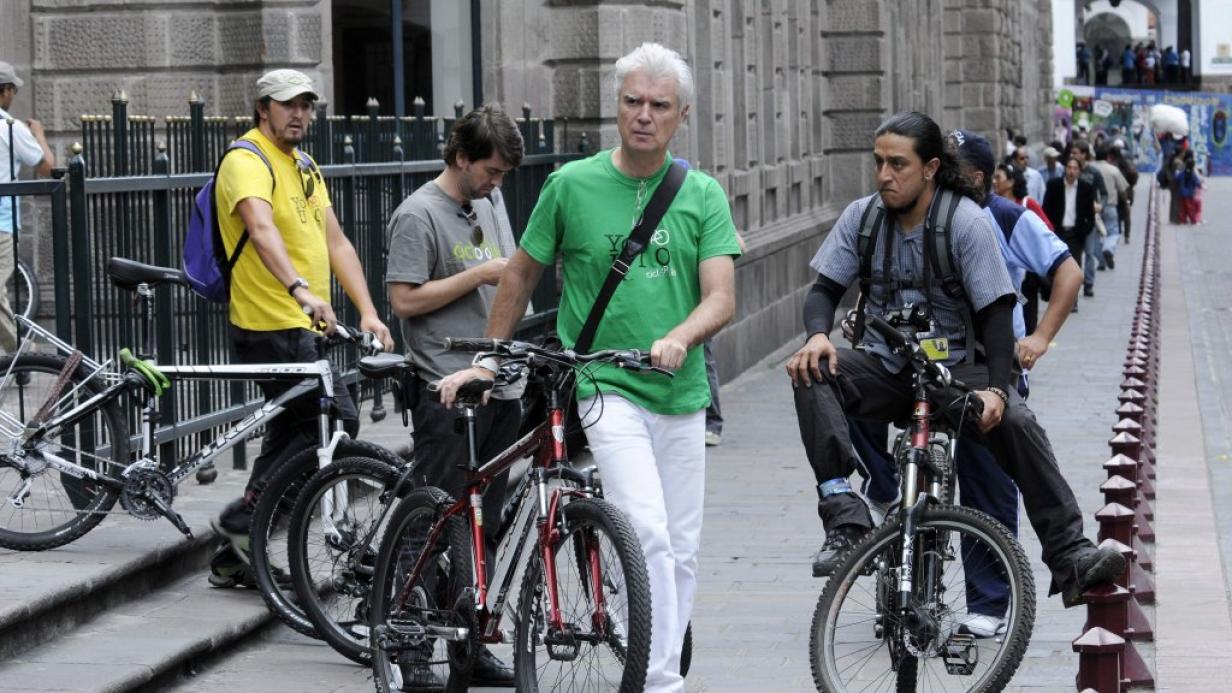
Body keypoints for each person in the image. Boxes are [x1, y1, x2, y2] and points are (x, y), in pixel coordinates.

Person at [438, 42, 740, 693]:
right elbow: (520, 274)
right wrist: (490, 361)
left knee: (682, 549)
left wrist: (681, 336)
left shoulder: (702, 194)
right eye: (633, 101)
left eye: (658, 105)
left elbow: (721, 295)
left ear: (680, 114)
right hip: (604, 384)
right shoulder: (570, 185)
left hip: (680, 391)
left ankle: (653, 653)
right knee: (647, 531)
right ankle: (660, 682)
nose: (643, 115)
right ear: (617, 107)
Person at [789, 111, 1122, 615]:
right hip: (888, 367)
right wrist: (817, 336)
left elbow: (996, 313)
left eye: (897, 164)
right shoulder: (861, 217)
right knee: (810, 370)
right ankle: (845, 515)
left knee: (1017, 424)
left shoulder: (965, 221)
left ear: (930, 168)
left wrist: (997, 391)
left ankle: (1070, 554)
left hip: (956, 373)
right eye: (878, 162)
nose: (884, 175)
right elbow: (824, 291)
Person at [208, 69, 394, 585]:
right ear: (262, 108)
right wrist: (299, 289)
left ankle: (236, 551)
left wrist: (368, 310)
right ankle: (248, 517)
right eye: (289, 105)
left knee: (295, 427)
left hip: (303, 322)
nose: (300, 115)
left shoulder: (305, 165)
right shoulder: (247, 160)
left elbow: (335, 242)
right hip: (268, 321)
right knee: (334, 420)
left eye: (307, 106)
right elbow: (261, 229)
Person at [383, 104, 525, 687]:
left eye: (503, 176)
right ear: (461, 158)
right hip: (443, 385)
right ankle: (411, 645)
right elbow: (404, 301)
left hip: (496, 382)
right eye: (490, 171)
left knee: (484, 524)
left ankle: (468, 642)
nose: (497, 184)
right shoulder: (418, 215)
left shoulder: (489, 204)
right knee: (436, 518)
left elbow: (512, 275)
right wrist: (478, 275)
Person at [0, 62, 54, 354]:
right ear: (5, 91)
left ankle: (16, 355)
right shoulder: (11, 127)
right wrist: (39, 135)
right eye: (13, 90)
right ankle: (21, 352)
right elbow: (48, 167)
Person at [1042, 157, 1097, 310]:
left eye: (1075, 168)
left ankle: (1072, 301)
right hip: (1057, 232)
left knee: (1073, 267)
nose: (1072, 171)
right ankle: (1057, 299)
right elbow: (1045, 209)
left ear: (1079, 171)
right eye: (1069, 168)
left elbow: (1090, 217)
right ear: (1065, 169)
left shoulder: (1086, 188)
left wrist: (1083, 232)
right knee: (1055, 267)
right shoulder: (1054, 185)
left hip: (1075, 234)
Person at [1069, 140, 1107, 296]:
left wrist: (1100, 205)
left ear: (1084, 154)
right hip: (1073, 220)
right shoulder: (1069, 171)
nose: (1073, 155)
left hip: (1089, 219)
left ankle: (1089, 283)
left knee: (1090, 253)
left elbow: (1104, 193)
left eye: (1076, 152)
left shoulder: (1094, 173)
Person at [1092, 145, 1129, 270]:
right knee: (1113, 232)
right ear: (1107, 156)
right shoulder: (1113, 170)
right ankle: (1108, 249)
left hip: (1093, 207)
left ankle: (1102, 262)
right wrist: (1126, 202)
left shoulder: (1089, 169)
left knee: (1095, 235)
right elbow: (1123, 189)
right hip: (1110, 205)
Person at [1109, 144, 1138, 242]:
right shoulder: (1127, 163)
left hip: (1116, 193)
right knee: (1126, 215)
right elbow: (1134, 176)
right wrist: (1131, 186)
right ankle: (1127, 236)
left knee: (1117, 214)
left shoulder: (1113, 166)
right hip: (1128, 192)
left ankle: (1118, 233)